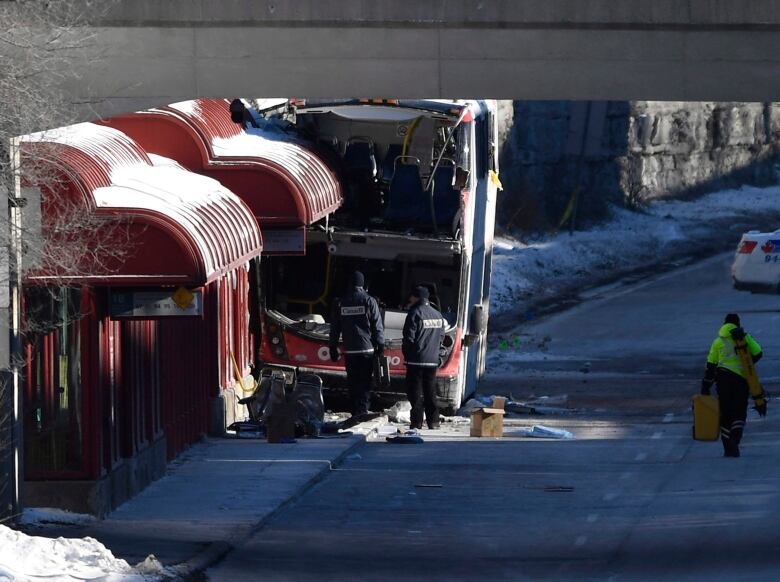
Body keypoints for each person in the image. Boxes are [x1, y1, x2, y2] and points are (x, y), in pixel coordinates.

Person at [701, 313, 765, 458]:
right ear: (738, 324)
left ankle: (728, 449)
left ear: (724, 324)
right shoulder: (745, 338)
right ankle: (735, 440)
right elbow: (758, 352)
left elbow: (711, 365)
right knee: (740, 412)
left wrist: (705, 387)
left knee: (725, 414)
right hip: (741, 380)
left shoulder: (718, 341)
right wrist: (747, 363)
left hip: (723, 380)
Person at [329, 271, 384, 417]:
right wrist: (380, 344)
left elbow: (335, 328)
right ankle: (362, 410)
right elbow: (377, 326)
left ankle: (355, 411)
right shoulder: (369, 301)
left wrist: (333, 347)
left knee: (353, 382)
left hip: (350, 350)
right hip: (367, 350)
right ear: (362, 284)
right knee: (365, 382)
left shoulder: (341, 302)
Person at [403, 286, 446, 430]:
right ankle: (433, 422)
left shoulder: (414, 313)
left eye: (412, 296)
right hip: (432, 361)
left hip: (416, 360)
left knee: (415, 393)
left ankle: (416, 422)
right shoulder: (438, 315)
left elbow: (409, 338)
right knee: (430, 392)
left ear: (416, 297)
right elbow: (441, 337)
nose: (410, 299)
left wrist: (407, 355)